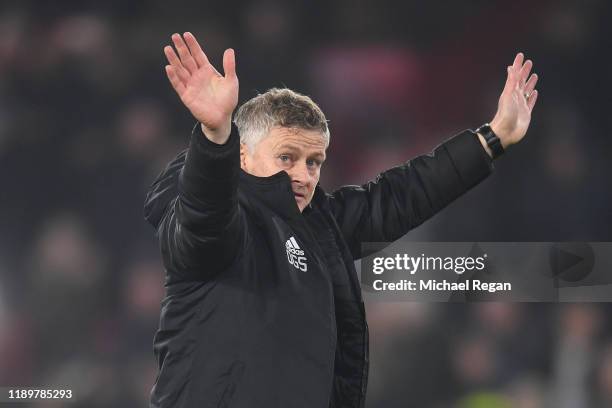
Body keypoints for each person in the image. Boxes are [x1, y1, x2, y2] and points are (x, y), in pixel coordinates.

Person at [144, 32, 539, 408]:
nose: (304, 174)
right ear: (243, 156)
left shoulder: (321, 228)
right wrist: (215, 137)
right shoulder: (224, 220)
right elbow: (203, 220)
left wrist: (493, 137)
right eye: (287, 158)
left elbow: (399, 196)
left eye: (313, 162)